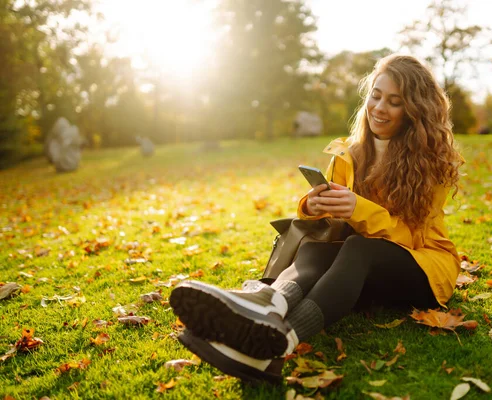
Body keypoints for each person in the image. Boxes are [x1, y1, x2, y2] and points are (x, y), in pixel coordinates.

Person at [169, 54, 465, 383]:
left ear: (414, 111)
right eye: (376, 95)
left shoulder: (429, 161)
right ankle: (268, 306)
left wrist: (357, 208)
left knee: (358, 247)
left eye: (394, 102)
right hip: (360, 268)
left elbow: (413, 237)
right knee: (315, 247)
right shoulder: (349, 154)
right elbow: (327, 223)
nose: (379, 108)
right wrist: (313, 205)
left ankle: (279, 343)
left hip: (424, 267)